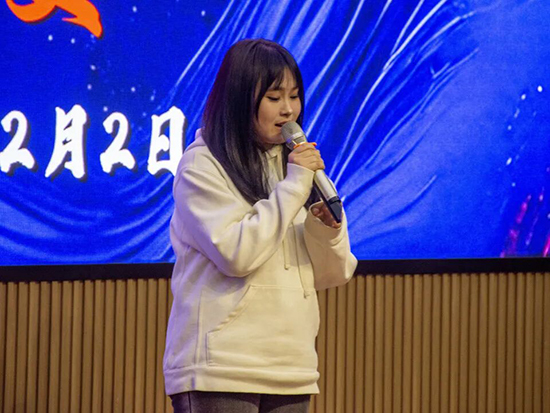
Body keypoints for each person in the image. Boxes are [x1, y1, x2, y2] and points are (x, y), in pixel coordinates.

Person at [164, 38, 357, 413]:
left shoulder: (294, 167)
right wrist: (294, 186)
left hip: (290, 366)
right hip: (221, 369)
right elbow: (236, 255)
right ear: (239, 99)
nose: (289, 110)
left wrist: (326, 231)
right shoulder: (202, 165)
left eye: (294, 96)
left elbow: (333, 274)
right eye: (274, 97)